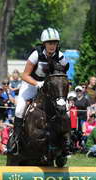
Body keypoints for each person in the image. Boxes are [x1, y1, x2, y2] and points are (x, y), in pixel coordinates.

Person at [8, 27, 68, 155]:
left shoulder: (61, 57)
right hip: (31, 84)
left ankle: (66, 141)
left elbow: (63, 76)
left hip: (49, 89)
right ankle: (16, 140)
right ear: (44, 44)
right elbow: (24, 75)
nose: (52, 46)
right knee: (20, 109)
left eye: (55, 43)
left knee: (63, 107)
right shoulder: (36, 55)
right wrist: (37, 83)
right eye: (49, 43)